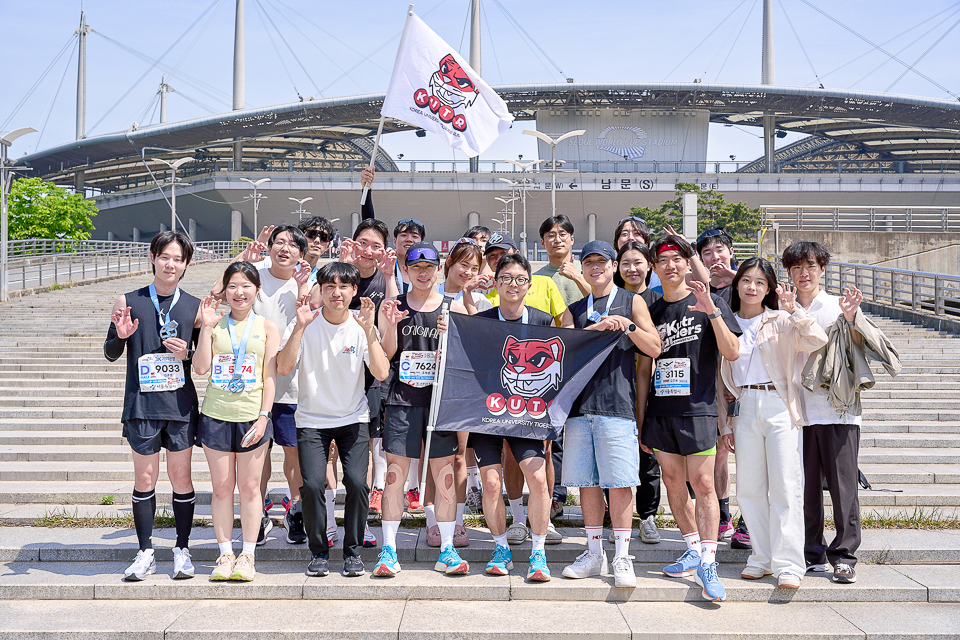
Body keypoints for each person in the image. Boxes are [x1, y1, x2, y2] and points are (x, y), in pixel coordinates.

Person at [638, 234, 741, 602]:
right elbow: (643, 368)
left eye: (677, 259)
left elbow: (732, 351)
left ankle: (709, 562)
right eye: (662, 260)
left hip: (699, 409)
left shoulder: (708, 300)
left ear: (687, 263)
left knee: (704, 484)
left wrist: (711, 310)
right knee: (672, 481)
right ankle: (693, 548)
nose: (670, 265)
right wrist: (640, 420)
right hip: (661, 410)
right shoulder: (649, 309)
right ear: (654, 267)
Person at [718, 258, 828, 590]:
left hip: (779, 405)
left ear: (768, 289)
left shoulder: (780, 319)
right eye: (746, 280)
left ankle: (789, 564)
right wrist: (725, 426)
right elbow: (719, 382)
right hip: (744, 406)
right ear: (737, 284)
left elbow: (817, 340)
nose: (752, 287)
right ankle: (761, 558)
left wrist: (794, 311)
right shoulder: (726, 322)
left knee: (785, 486)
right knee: (749, 488)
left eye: (760, 283)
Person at [278, 262, 391, 578]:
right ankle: (319, 553)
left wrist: (370, 332)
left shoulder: (361, 326)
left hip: (353, 418)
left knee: (356, 482)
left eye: (344, 286)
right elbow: (284, 367)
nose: (336, 292)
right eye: (330, 286)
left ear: (355, 290)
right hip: (312, 420)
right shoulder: (305, 323)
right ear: (321, 290)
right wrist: (298, 328)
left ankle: (352, 552)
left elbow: (381, 372)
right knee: (312, 485)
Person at [560, 240, 662, 588]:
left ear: (614, 265)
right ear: (582, 267)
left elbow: (655, 346)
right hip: (578, 408)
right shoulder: (574, 310)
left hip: (617, 406)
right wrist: (597, 329)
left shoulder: (631, 301)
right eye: (588, 263)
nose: (595, 268)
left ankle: (621, 556)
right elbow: (562, 352)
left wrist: (628, 327)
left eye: (601, 262)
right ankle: (592, 552)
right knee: (586, 483)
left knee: (619, 483)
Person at [104, 231, 201, 582]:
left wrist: (186, 353)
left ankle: (182, 549)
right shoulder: (128, 300)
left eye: (178, 258)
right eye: (165, 256)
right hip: (141, 404)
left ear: (187, 264)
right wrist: (121, 335)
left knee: (181, 478)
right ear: (152, 257)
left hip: (179, 406)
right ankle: (145, 551)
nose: (170, 263)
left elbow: (201, 360)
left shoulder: (194, 306)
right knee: (144, 478)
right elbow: (110, 352)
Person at [374, 242, 467, 577]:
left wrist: (450, 339)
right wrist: (391, 325)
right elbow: (385, 356)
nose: (423, 273)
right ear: (407, 270)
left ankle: (447, 549)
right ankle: (388, 549)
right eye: (417, 267)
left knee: (444, 476)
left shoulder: (452, 306)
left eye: (429, 267)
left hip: (440, 403)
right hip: (402, 400)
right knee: (395, 475)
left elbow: (466, 360)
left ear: (438, 269)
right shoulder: (394, 305)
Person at [468, 231, 566, 545]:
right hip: (490, 412)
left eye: (520, 279)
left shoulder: (543, 320)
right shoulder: (481, 320)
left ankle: (539, 548)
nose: (513, 284)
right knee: (492, 483)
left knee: (538, 477)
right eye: (506, 278)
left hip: (530, 411)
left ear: (529, 284)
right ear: (495, 283)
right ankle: (502, 546)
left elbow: (559, 365)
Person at [219, 226, 312, 547]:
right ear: (270, 247)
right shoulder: (254, 272)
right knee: (257, 453)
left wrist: (302, 290)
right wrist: (241, 259)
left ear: (302, 252)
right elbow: (219, 292)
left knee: (293, 452)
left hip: (291, 382)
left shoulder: (307, 281)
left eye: (292, 244)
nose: (285, 248)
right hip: (250, 384)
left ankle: (296, 510)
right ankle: (256, 514)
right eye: (279, 242)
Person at [782, 241, 867, 584]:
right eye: (798, 267)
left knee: (843, 487)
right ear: (788, 271)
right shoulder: (781, 306)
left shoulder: (837, 306)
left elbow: (861, 349)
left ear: (823, 269)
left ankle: (844, 556)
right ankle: (811, 552)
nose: (805, 273)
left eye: (811, 266)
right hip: (797, 413)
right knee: (803, 488)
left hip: (838, 413)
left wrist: (852, 318)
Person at [193, 262, 280, 581]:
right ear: (225, 290)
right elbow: (201, 368)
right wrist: (204, 328)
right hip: (216, 415)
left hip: (252, 417)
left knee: (250, 488)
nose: (239, 292)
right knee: (221, 488)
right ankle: (225, 553)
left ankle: (248, 555)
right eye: (232, 286)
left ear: (257, 290)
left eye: (246, 286)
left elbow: (269, 377)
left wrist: (264, 416)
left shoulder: (268, 327)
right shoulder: (214, 324)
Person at [322, 218, 399, 527]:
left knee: (362, 449)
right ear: (352, 243)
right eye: (362, 243)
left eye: (376, 246)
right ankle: (328, 518)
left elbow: (391, 323)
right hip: (330, 374)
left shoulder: (385, 281)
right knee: (327, 450)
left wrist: (390, 275)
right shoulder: (334, 276)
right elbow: (315, 308)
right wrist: (342, 263)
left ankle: (362, 519)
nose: (368, 251)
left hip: (367, 377)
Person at [423, 237, 493, 548]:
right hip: (428, 387)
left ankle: (458, 520)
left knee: (459, 458)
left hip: (464, 388)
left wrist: (467, 301)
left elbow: (483, 344)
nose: (467, 271)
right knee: (431, 458)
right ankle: (431, 521)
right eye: (462, 264)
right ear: (449, 263)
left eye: (474, 267)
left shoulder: (483, 302)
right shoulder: (429, 296)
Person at [695, 227, 747, 546]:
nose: (715, 258)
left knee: (747, 451)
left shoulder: (744, 285)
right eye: (707, 253)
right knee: (717, 452)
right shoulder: (697, 291)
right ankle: (723, 514)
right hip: (709, 379)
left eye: (720, 250)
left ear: (731, 252)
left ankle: (750, 520)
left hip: (742, 377)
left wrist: (736, 276)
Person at [614, 241, 662, 545]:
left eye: (638, 262)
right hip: (616, 385)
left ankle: (647, 517)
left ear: (649, 266)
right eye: (626, 263)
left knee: (648, 455)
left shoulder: (657, 301)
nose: (632, 269)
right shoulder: (612, 299)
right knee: (615, 455)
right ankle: (616, 517)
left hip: (653, 384)